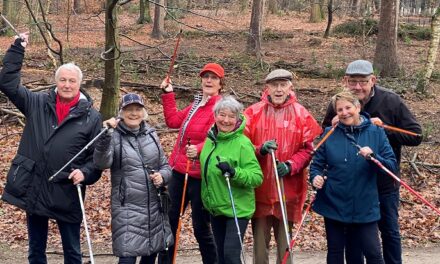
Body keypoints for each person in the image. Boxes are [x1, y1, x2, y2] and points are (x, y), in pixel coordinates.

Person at [0, 33, 103, 264]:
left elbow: (96, 158)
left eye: (72, 81)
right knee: (36, 250)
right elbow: (7, 83)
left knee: (72, 252)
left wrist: (85, 173)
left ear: (79, 84)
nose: (67, 85)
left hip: (66, 191)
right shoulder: (36, 103)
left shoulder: (92, 117)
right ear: (56, 82)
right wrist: (17, 49)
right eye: (63, 80)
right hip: (35, 186)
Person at [322, 60, 423, 264]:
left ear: (373, 80)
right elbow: (324, 135)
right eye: (353, 81)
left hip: (383, 182)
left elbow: (416, 135)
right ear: (345, 81)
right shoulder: (339, 104)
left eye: (363, 81)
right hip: (353, 185)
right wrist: (332, 125)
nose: (358, 86)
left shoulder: (391, 101)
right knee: (354, 235)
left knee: (389, 231)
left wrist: (383, 129)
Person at [244, 69, 322, 264]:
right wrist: (260, 150)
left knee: (285, 243)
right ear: (267, 88)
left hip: (288, 190)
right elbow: (241, 147)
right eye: (274, 85)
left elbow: (308, 150)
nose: (278, 89)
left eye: (282, 85)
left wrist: (290, 164)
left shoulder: (301, 114)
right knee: (260, 244)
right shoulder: (253, 112)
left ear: (290, 87)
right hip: (260, 188)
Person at [311, 91, 398, 264]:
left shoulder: (376, 132)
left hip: (365, 203)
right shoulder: (330, 133)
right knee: (335, 252)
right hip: (334, 201)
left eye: (348, 107)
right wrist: (315, 177)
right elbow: (316, 165)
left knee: (373, 253)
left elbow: (391, 166)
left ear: (358, 107)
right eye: (340, 109)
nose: (344, 113)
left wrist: (373, 157)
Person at [93, 93, 172, 264]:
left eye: (137, 109)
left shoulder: (151, 134)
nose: (134, 113)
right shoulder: (113, 136)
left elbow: (166, 166)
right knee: (127, 258)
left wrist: (162, 176)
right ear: (121, 112)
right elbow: (101, 163)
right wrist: (104, 136)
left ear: (143, 112)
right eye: (129, 109)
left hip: (153, 208)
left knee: (150, 256)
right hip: (128, 209)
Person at [158, 63, 224, 263]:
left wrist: (201, 149)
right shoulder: (196, 104)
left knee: (201, 227)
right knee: (169, 223)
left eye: (213, 78)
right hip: (178, 172)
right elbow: (172, 121)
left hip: (201, 176)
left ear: (221, 83)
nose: (209, 81)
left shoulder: (221, 106)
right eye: (205, 77)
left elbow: (221, 135)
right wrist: (168, 94)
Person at [200, 96, 263, 264]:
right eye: (222, 115)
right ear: (215, 115)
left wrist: (234, 172)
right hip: (216, 207)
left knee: (231, 257)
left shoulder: (243, 143)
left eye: (231, 116)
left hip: (237, 209)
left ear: (237, 119)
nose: (226, 120)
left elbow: (257, 177)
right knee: (221, 256)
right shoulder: (210, 140)